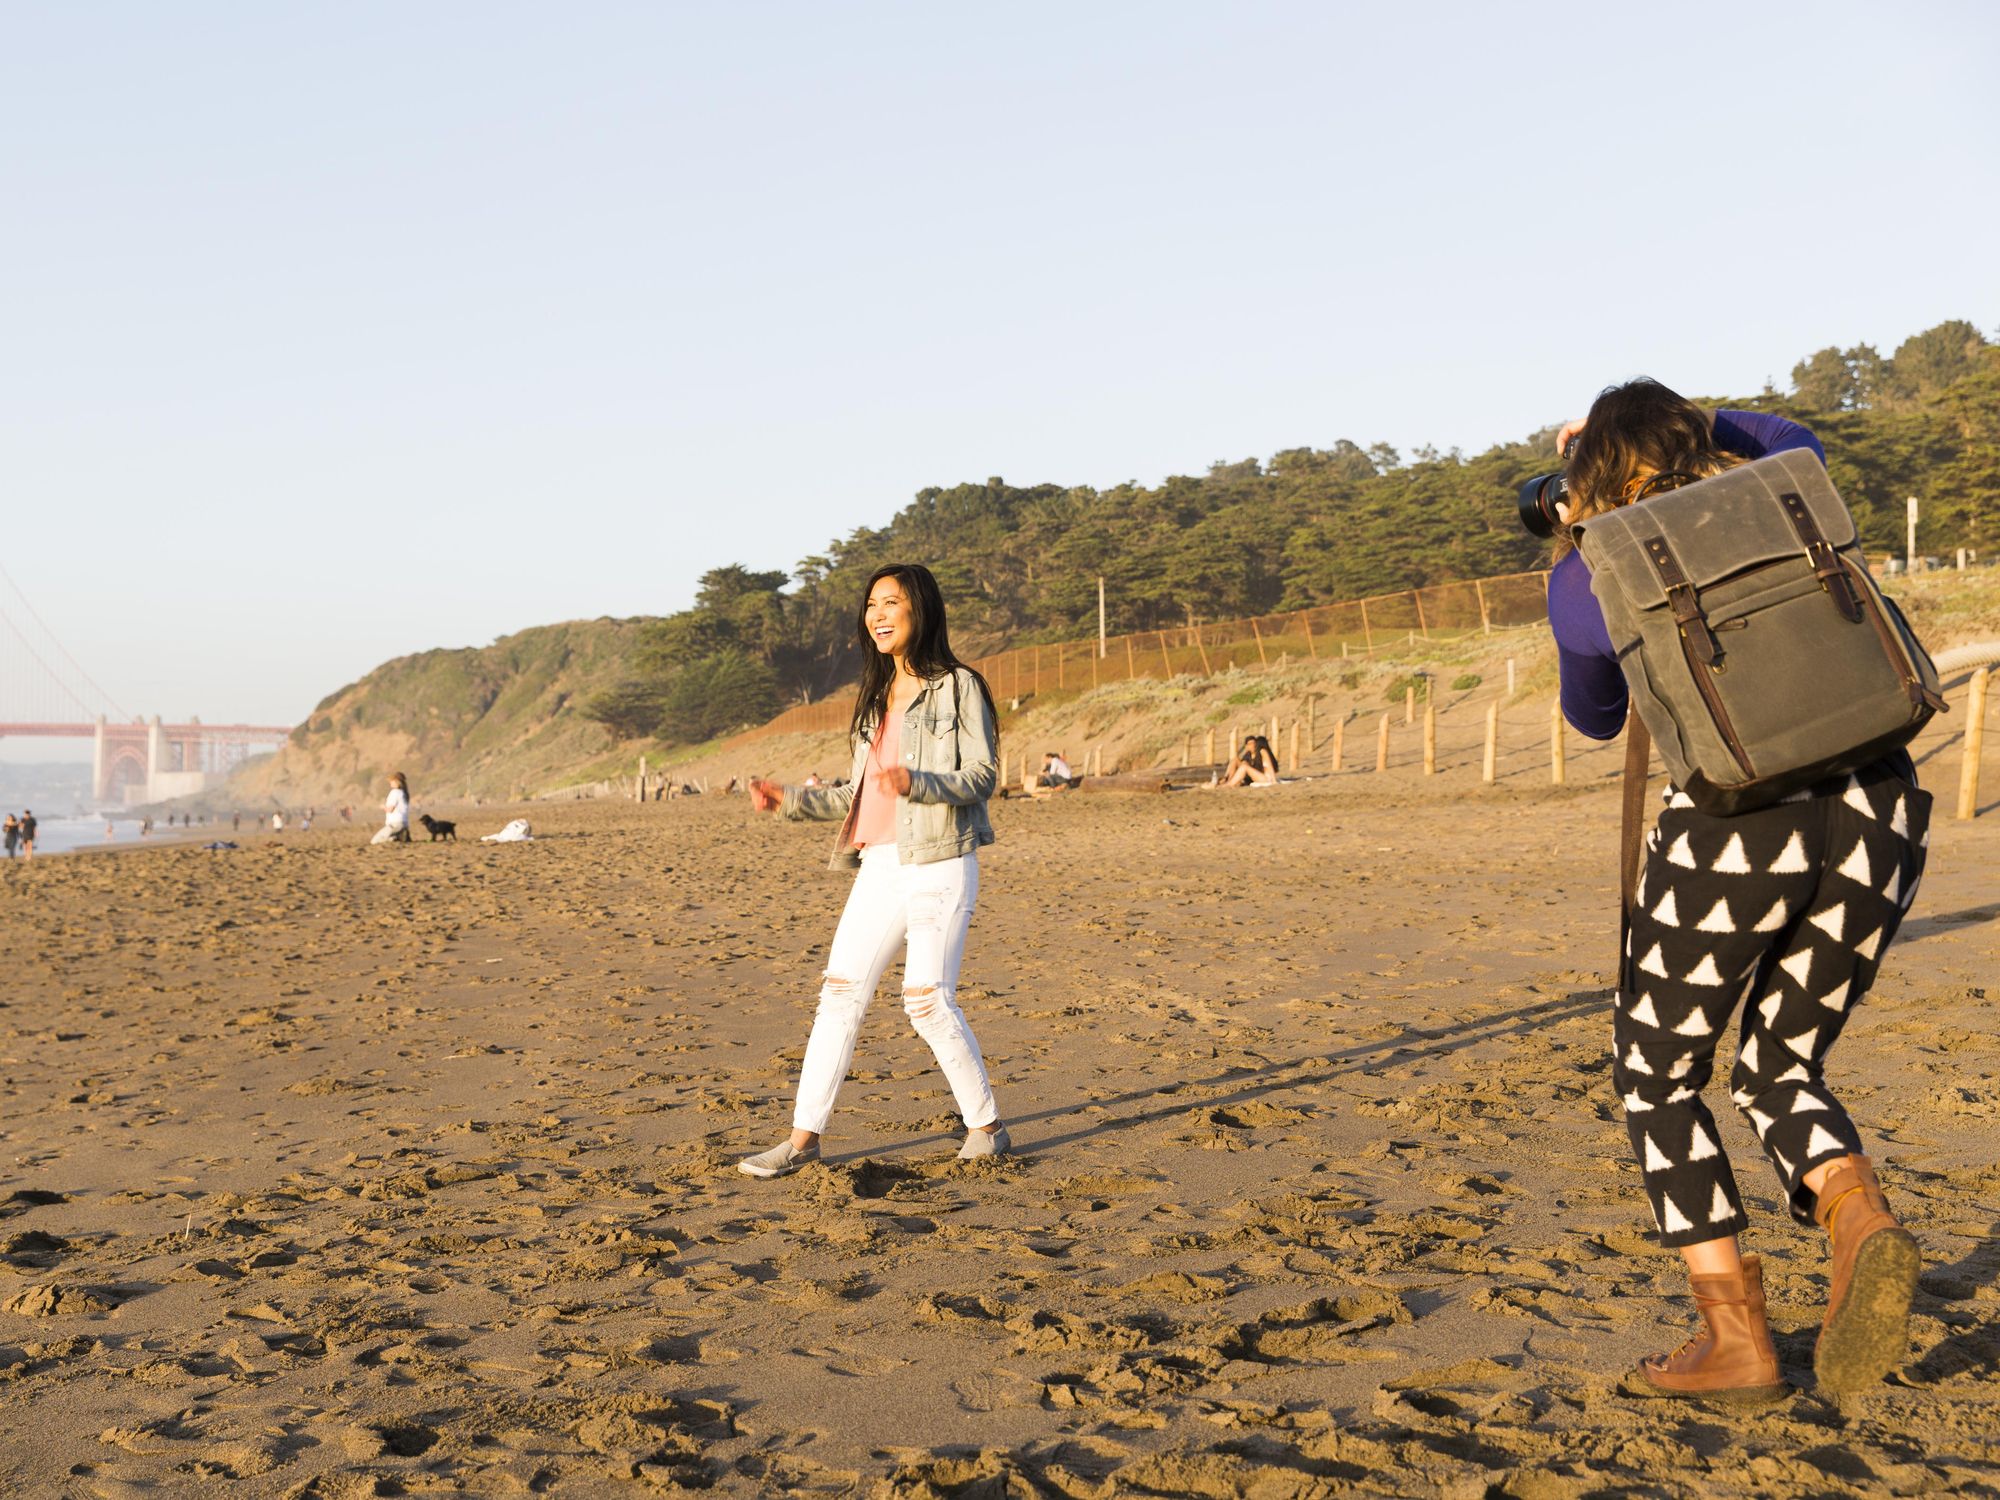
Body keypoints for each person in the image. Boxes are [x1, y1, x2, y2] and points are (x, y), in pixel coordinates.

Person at [1550, 379, 1929, 1401]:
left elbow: (1592, 715)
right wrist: (1666, 430)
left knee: (1655, 1073)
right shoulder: (1784, 487)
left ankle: (1733, 1339)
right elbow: (1767, 434)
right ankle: (1855, 1218)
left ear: (1590, 478)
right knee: (1776, 1061)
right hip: (1878, 811)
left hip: (1736, 835)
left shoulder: (1590, 570)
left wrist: (1578, 516)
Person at [740, 563, 1009, 1177]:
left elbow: (984, 776)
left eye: (892, 602)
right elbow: (855, 796)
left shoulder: (959, 686)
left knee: (927, 1002)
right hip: (880, 865)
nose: (878, 614)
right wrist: (789, 799)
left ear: (921, 609)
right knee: (838, 996)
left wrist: (921, 781)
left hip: (941, 859)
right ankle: (802, 1141)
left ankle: (986, 1127)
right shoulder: (873, 701)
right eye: (871, 605)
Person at [1215, 735, 1279, 787]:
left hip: (1267, 779)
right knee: (1239, 762)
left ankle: (1229, 784)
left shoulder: (1263, 751)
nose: (1254, 745)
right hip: (1261, 777)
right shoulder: (1249, 754)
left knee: (1244, 767)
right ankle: (1228, 780)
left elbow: (1270, 767)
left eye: (1254, 743)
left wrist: (1274, 781)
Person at [372, 773, 412, 845]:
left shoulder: (395, 792)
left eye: (391, 780)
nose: (390, 782)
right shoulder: (404, 793)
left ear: (397, 781)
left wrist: (383, 807)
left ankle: (394, 838)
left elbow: (390, 810)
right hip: (404, 824)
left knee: (374, 841)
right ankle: (399, 836)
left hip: (395, 824)